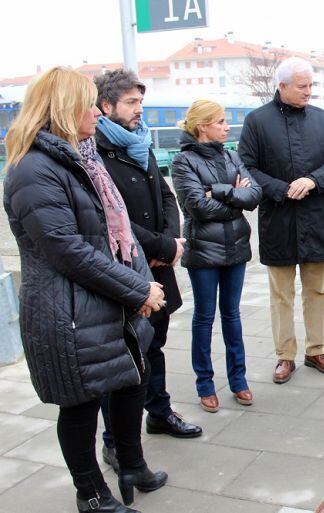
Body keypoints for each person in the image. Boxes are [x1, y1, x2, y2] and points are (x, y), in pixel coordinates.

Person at [3, 67, 167, 513]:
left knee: (132, 381)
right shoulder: (34, 168)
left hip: (106, 300)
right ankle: (91, 495)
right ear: (62, 108)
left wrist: (139, 279)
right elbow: (67, 250)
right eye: (88, 103)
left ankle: (131, 464)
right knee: (80, 404)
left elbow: (114, 232)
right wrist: (137, 289)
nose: (97, 111)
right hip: (68, 309)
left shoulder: (82, 157)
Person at [93, 69, 202, 459]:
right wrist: (159, 244)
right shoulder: (96, 152)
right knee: (121, 354)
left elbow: (167, 196)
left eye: (141, 101)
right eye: (131, 103)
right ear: (106, 106)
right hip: (125, 269)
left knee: (155, 344)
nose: (140, 109)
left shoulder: (141, 145)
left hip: (158, 266)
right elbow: (109, 216)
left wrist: (172, 243)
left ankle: (158, 412)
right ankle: (113, 441)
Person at [238, 57, 324, 384]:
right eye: (302, 86)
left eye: (311, 85)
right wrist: (281, 189)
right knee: (281, 292)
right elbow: (246, 166)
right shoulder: (257, 121)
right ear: (281, 86)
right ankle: (285, 355)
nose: (309, 92)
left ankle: (317, 350)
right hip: (279, 217)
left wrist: (313, 180)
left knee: (317, 289)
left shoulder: (320, 118)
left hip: (314, 216)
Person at [172, 99, 262, 413]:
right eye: (221, 122)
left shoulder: (232, 155)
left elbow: (254, 195)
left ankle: (238, 380)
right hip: (203, 252)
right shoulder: (183, 162)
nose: (227, 127)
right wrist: (234, 197)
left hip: (236, 247)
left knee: (232, 316)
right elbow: (196, 206)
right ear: (202, 126)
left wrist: (220, 191)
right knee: (204, 318)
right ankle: (205, 384)